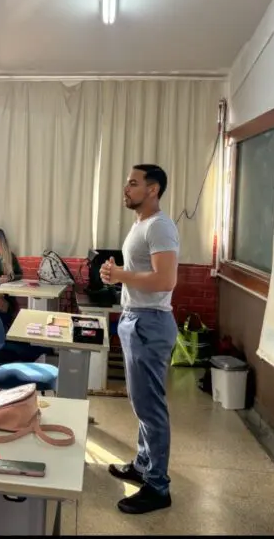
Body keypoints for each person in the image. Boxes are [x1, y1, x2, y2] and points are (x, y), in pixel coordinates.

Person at [100, 164, 179, 515]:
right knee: (141, 403)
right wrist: (115, 277)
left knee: (151, 408)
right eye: (126, 181)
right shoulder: (141, 225)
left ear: (153, 189)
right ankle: (144, 465)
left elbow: (165, 281)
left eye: (133, 183)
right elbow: (139, 275)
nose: (126, 187)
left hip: (150, 323)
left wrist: (121, 274)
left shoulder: (160, 225)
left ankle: (158, 487)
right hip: (136, 320)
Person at [0, 229, 52, 370]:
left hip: (5, 300)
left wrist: (9, 278)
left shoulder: (10, 258)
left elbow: (20, 275)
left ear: (4, 243)